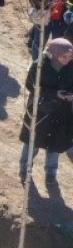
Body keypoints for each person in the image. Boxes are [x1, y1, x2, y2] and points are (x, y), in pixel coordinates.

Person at [19, 38, 73, 183]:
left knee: (55, 144)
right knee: (33, 142)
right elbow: (31, 86)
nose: (68, 59)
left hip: (61, 112)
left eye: (70, 56)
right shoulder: (39, 66)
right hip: (41, 111)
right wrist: (54, 94)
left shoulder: (71, 67)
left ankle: (51, 172)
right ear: (54, 54)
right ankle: (24, 169)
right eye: (64, 56)